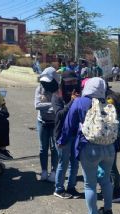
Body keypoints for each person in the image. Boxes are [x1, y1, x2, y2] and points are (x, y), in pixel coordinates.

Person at [58, 78, 115, 214]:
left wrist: (62, 141)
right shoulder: (108, 102)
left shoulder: (80, 102)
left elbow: (68, 125)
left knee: (90, 184)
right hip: (109, 148)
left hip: (89, 148)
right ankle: (108, 211)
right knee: (106, 180)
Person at [52, 71, 81, 199]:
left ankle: (71, 187)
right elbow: (59, 115)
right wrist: (71, 102)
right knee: (63, 162)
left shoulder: (78, 94)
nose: (72, 84)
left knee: (75, 163)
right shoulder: (57, 96)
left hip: (76, 133)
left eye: (74, 81)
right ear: (63, 83)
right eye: (69, 82)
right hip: (62, 134)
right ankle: (59, 189)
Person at [35, 67, 59, 182]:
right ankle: (44, 171)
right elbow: (37, 105)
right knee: (42, 148)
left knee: (55, 148)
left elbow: (61, 105)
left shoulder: (59, 89)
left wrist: (49, 105)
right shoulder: (39, 87)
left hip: (55, 123)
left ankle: (54, 172)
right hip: (42, 122)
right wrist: (52, 105)